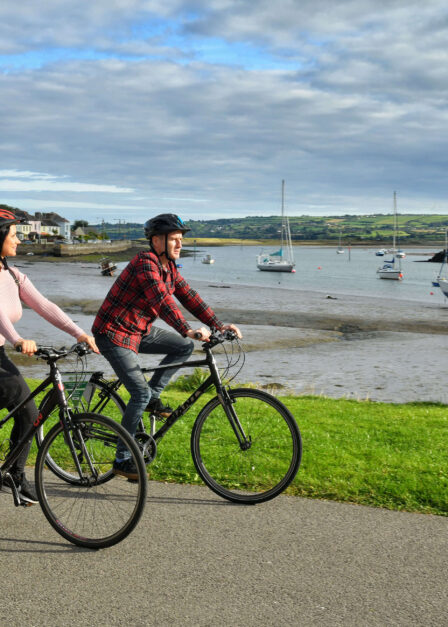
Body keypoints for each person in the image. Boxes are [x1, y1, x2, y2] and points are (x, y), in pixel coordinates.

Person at [92, 213, 242, 480]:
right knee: (138, 392)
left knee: (183, 347)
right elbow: (161, 300)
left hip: (139, 331)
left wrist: (219, 325)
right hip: (113, 333)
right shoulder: (144, 263)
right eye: (175, 239)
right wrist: (186, 328)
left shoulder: (170, 268)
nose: (180, 245)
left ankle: (152, 398)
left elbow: (189, 296)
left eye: (181, 239)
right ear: (156, 241)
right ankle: (122, 458)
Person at [0, 208, 98, 504]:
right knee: (23, 400)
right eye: (14, 235)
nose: (18, 241)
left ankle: (13, 474)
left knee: (28, 411)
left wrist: (78, 333)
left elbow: (44, 306)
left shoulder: (13, 275)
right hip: (5, 350)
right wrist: (17, 340)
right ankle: (14, 474)